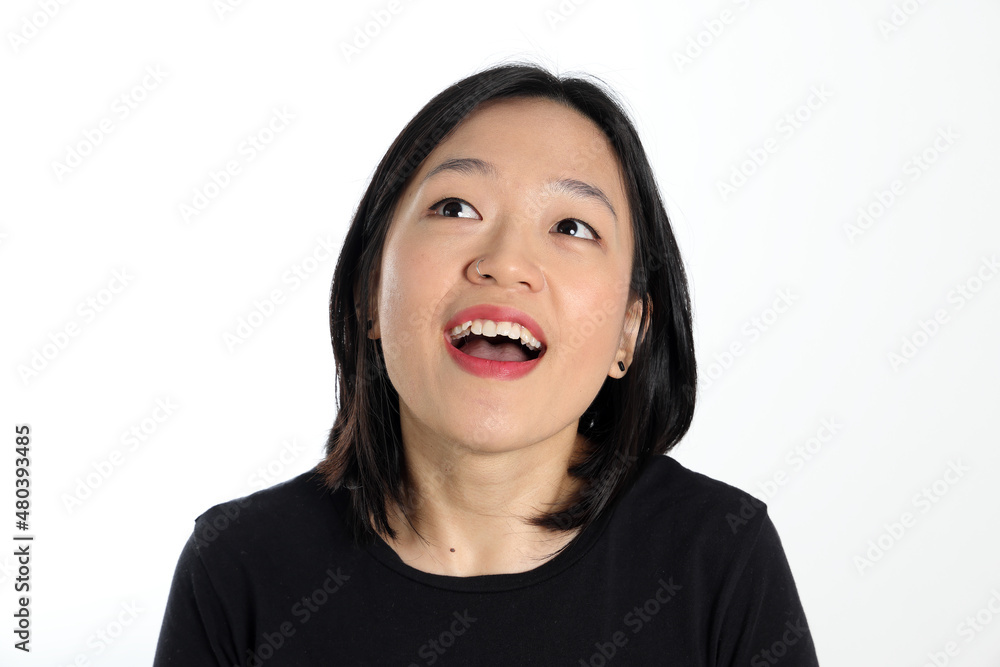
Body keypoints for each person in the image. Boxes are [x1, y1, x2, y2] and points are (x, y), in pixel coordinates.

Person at [153, 62, 820, 666]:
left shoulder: (719, 558)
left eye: (572, 227)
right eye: (456, 208)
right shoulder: (240, 568)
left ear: (630, 331)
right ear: (368, 294)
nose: (505, 262)